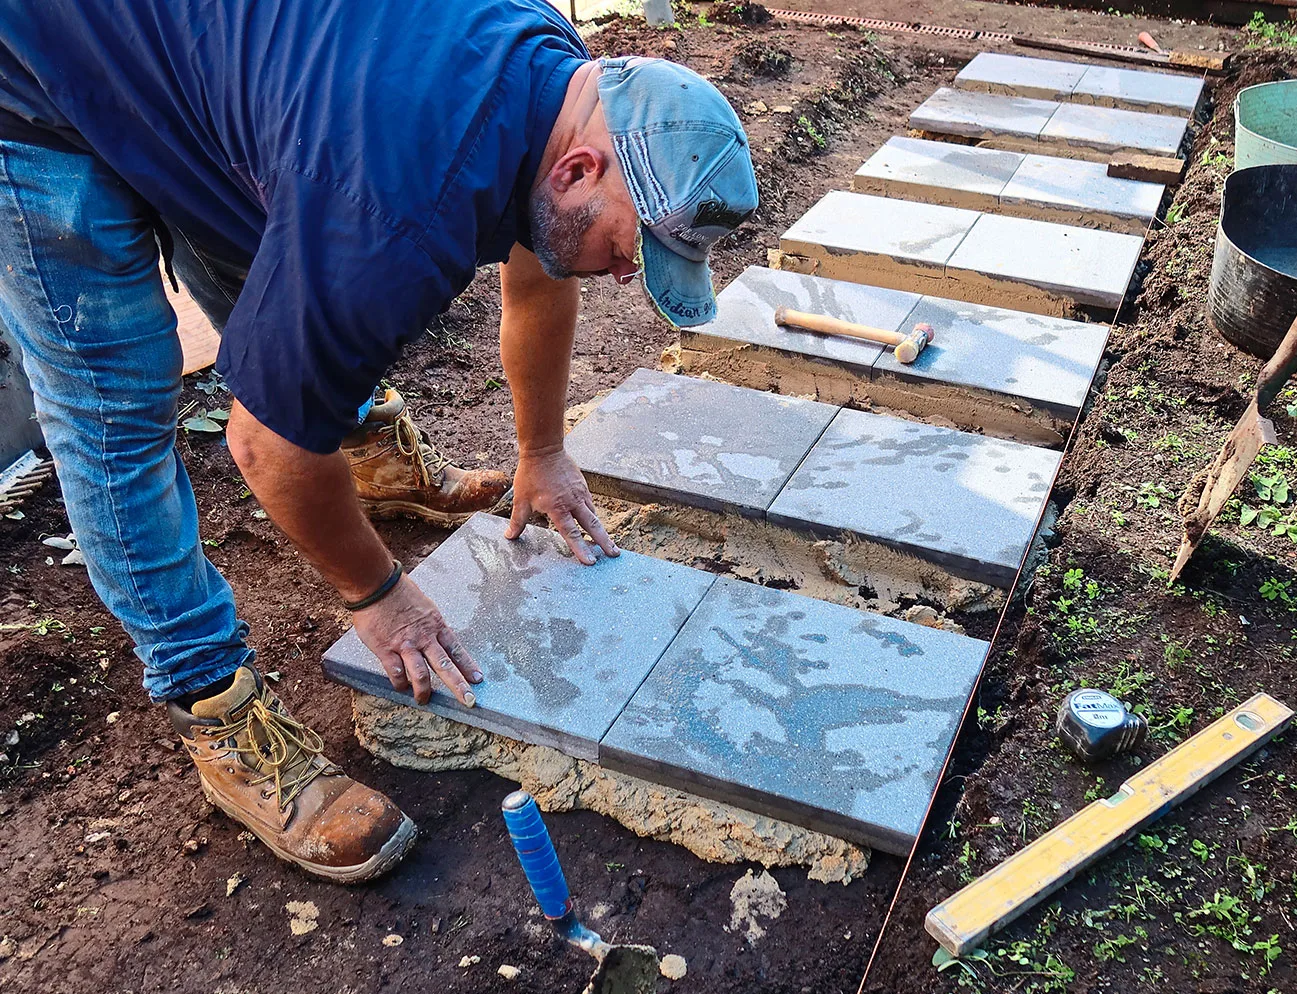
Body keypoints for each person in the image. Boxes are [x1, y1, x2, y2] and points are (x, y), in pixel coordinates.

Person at [0, 0, 757, 882]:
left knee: (302, 285)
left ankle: (369, 459)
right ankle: (215, 706)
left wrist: (542, 450)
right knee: (115, 414)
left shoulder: (558, 82)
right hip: (41, 66)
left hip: (205, 71)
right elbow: (263, 446)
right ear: (581, 168)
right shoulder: (398, 207)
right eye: (632, 249)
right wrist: (377, 593)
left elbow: (538, 269)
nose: (628, 274)